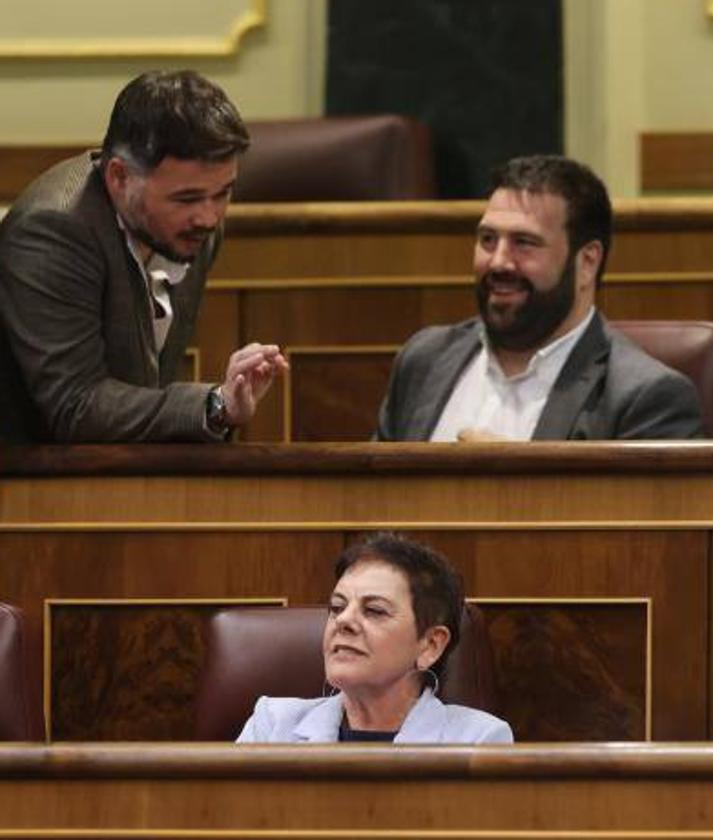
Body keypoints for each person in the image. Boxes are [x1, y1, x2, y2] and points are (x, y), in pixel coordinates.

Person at [0, 70, 287, 443]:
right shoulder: (53, 230)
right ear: (119, 176)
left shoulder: (192, 227)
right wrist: (214, 405)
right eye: (186, 198)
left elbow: (145, 378)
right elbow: (77, 405)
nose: (209, 217)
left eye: (223, 193)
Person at [373, 154, 703, 441]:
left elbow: (635, 514)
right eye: (488, 239)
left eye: (524, 243)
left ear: (587, 262)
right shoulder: (425, 360)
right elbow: (374, 501)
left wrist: (514, 479)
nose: (499, 261)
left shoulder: (644, 399)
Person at [237, 533, 512, 744]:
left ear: (430, 645)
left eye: (374, 610)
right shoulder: (271, 726)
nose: (343, 621)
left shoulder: (478, 740)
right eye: (337, 607)